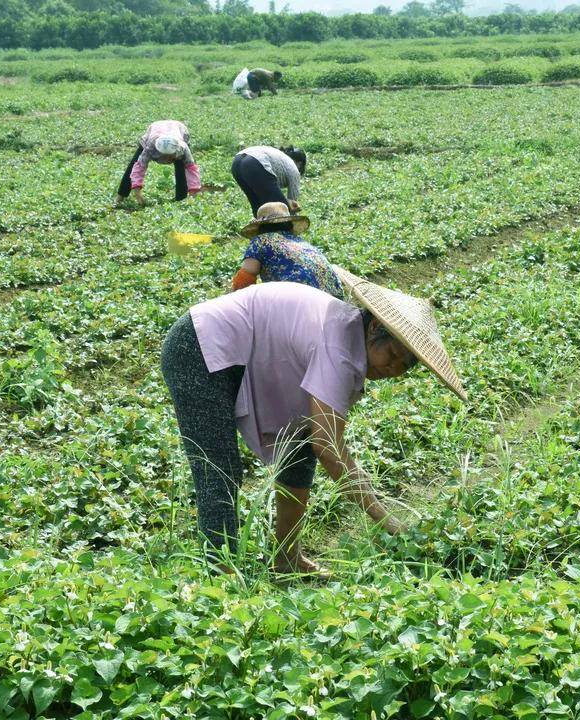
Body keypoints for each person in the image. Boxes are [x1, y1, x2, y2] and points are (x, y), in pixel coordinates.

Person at [160, 269, 467, 576]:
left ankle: (286, 558)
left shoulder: (347, 336)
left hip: (232, 351)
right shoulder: (339, 348)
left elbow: (316, 438)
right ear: (375, 328)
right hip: (199, 346)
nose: (394, 368)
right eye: (393, 353)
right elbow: (329, 446)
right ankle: (219, 580)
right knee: (218, 467)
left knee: (300, 448)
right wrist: (385, 519)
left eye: (404, 366)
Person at [231, 202, 344, 300]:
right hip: (334, 299)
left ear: (261, 226)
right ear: (289, 224)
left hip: (300, 301)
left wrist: (233, 301)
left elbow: (244, 279)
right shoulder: (300, 242)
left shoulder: (260, 240)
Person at [116, 120, 202, 206]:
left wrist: (193, 192)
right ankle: (120, 197)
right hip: (155, 130)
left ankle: (181, 199)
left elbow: (191, 168)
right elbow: (139, 167)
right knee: (133, 165)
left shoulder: (182, 148)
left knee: (181, 169)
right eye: (164, 156)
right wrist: (137, 192)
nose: (167, 159)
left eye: (170, 156)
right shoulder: (150, 147)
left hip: (179, 129)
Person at [231, 145, 306, 214]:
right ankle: (280, 228)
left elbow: (268, 191)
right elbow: (293, 204)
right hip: (254, 163)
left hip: (236, 163)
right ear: (299, 163)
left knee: (258, 207)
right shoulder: (294, 170)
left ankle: (263, 227)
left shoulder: (280, 159)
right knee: (281, 208)